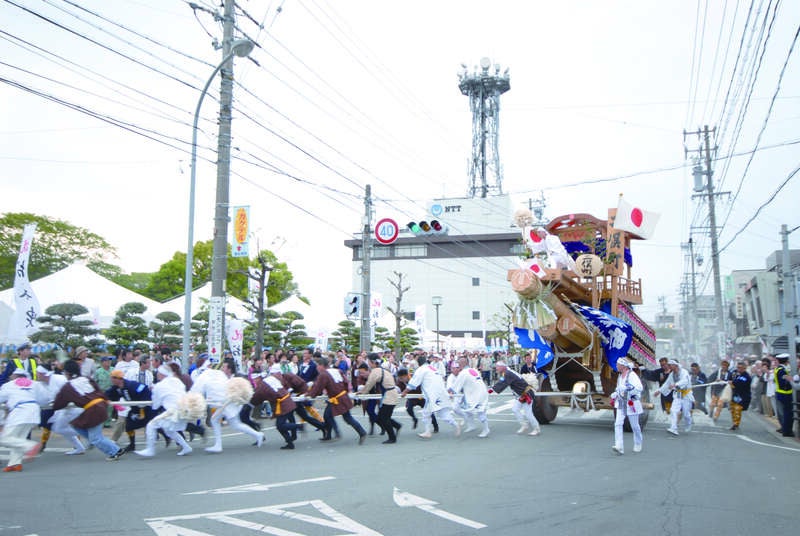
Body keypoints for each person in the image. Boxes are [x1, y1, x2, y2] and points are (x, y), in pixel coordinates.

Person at [52, 360, 126, 461]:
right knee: (77, 425)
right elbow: (98, 390)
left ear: (67, 373)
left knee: (96, 438)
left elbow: (58, 403)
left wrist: (51, 406)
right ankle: (105, 445)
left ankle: (115, 451)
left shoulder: (68, 387)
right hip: (100, 406)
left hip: (93, 410)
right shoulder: (86, 379)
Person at [134, 365, 200, 457]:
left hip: (173, 411)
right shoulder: (177, 381)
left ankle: (150, 449)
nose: (157, 374)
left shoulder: (159, 386)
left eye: (158, 373)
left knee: (151, 425)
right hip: (184, 409)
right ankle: (186, 447)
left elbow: (156, 405)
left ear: (162, 374)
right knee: (168, 430)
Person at [306, 355, 367, 444]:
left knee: (336, 417)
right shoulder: (337, 370)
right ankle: (332, 435)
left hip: (337, 398)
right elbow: (346, 382)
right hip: (342, 396)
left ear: (321, 365)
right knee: (342, 417)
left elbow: (317, 388)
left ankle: (338, 434)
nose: (316, 368)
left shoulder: (324, 374)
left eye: (317, 366)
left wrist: (309, 395)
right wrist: (348, 391)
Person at [401, 356, 461, 439]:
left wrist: (404, 392)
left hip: (432, 393)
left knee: (426, 412)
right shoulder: (432, 368)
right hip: (441, 392)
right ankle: (455, 424)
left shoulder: (421, 369)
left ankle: (427, 431)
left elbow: (414, 382)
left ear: (418, 363)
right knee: (442, 412)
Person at [0, 368, 47, 472]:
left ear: (14, 376)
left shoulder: (9, 385)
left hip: (19, 411)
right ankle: (15, 464)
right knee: (19, 438)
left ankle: (31, 446)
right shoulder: (35, 384)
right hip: (34, 410)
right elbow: (44, 398)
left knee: (4, 438)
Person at [35, 366, 86, 455]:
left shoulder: (59, 379)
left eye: (38, 373)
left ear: (44, 373)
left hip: (73, 406)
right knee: (58, 428)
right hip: (61, 408)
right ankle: (81, 446)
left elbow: (72, 391)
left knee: (59, 427)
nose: (36, 375)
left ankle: (87, 434)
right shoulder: (41, 384)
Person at [251, 367, 303, 449]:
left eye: (255, 379)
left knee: (280, 425)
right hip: (286, 401)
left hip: (283, 404)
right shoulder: (270, 379)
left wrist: (248, 402)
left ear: (259, 378)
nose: (254, 381)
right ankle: (290, 443)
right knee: (280, 426)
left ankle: (299, 427)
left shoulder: (261, 386)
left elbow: (256, 399)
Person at [357, 353, 401, 444]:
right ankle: (397, 426)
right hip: (390, 394)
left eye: (368, 361)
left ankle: (392, 438)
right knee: (383, 416)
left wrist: (362, 392)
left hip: (389, 395)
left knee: (384, 418)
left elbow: (369, 384)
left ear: (372, 362)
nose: (368, 363)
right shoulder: (383, 370)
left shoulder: (376, 371)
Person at [105, 371, 154, 452]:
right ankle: (132, 445)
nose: (112, 380)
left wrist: (143, 403)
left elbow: (144, 388)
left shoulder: (131, 385)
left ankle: (169, 437)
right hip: (134, 409)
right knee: (129, 426)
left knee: (155, 424)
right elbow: (108, 395)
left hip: (145, 408)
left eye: (113, 378)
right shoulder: (116, 388)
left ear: (119, 379)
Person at [490, 360, 541, 436]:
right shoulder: (507, 372)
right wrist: (492, 389)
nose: (496, 368)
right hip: (521, 395)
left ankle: (536, 429)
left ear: (502, 367)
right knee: (515, 409)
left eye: (497, 367)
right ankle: (524, 425)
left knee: (528, 413)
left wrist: (491, 390)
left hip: (526, 394)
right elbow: (501, 380)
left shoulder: (508, 373)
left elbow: (502, 382)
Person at [448, 358, 490, 438]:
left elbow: (455, 388)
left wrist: (447, 393)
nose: (458, 366)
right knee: (466, 410)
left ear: (462, 364)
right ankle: (471, 425)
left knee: (480, 412)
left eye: (459, 364)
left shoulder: (463, 373)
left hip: (476, 395)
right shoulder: (473, 370)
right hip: (478, 392)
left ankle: (486, 429)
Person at [609, 358, 644, 454]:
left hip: (631, 403)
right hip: (621, 402)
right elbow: (619, 389)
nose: (616, 365)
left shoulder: (632, 375)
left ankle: (638, 443)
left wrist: (627, 388)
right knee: (618, 423)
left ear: (623, 366)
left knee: (635, 425)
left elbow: (639, 387)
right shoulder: (620, 376)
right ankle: (619, 446)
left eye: (618, 364)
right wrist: (616, 394)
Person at [396, 368, 438, 433]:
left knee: (429, 411)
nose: (400, 380)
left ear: (406, 376)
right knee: (409, 409)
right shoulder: (399, 382)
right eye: (399, 378)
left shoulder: (415, 378)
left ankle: (435, 426)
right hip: (412, 398)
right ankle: (415, 419)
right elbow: (398, 389)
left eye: (401, 378)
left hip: (421, 397)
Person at [658, 359, 694, 435]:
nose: (669, 366)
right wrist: (659, 391)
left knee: (686, 413)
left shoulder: (684, 372)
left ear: (675, 365)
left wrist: (676, 384)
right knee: (673, 410)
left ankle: (689, 423)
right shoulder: (672, 374)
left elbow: (685, 381)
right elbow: (667, 384)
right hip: (677, 395)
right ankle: (673, 428)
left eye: (670, 365)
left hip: (686, 395)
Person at [773, 354, 794, 437]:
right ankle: (787, 431)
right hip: (785, 394)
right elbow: (784, 383)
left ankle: (786, 430)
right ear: (786, 361)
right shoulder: (782, 370)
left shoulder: (778, 369)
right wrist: (791, 380)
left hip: (780, 393)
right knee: (788, 414)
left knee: (784, 413)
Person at [728, 360, 752, 431]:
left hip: (742, 396)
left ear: (745, 368)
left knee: (737, 409)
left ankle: (736, 424)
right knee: (733, 409)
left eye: (741, 368)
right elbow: (729, 379)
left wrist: (732, 382)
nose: (739, 369)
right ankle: (734, 422)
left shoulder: (746, 376)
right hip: (734, 395)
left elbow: (739, 384)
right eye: (738, 367)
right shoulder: (735, 374)